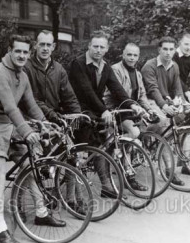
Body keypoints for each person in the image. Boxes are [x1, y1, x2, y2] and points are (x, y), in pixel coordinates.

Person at [0, 34, 66, 243]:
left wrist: (46, 124)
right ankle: (0, 228)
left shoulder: (22, 74)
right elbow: (9, 106)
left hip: (10, 124)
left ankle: (41, 213)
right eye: (17, 51)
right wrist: (27, 131)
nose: (22, 55)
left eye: (25, 52)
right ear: (9, 51)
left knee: (30, 166)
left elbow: (31, 104)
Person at [68, 30, 143, 194]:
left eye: (102, 47)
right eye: (95, 46)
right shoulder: (78, 63)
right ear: (89, 46)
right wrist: (103, 111)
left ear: (107, 49)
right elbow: (87, 91)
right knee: (79, 150)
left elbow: (117, 88)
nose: (98, 50)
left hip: (95, 108)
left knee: (102, 144)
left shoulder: (105, 66)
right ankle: (74, 194)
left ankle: (106, 186)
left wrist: (132, 104)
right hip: (77, 109)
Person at [24, 30, 86, 212]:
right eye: (41, 44)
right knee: (41, 159)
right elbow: (31, 99)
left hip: (52, 118)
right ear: (35, 45)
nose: (44, 48)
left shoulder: (58, 69)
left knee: (71, 153)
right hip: (30, 118)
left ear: (53, 47)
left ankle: (72, 199)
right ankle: (47, 195)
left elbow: (69, 96)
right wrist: (51, 115)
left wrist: (78, 115)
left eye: (48, 45)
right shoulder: (27, 67)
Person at [103, 43, 176, 189]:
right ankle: (127, 172)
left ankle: (129, 153)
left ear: (138, 57)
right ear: (123, 54)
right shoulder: (116, 69)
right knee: (133, 133)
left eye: (135, 55)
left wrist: (149, 110)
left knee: (160, 121)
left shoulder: (136, 73)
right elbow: (118, 93)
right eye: (129, 54)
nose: (132, 58)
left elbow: (142, 95)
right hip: (116, 109)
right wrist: (136, 108)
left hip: (132, 110)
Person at [141, 36, 189, 185]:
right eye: (165, 49)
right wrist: (163, 105)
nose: (168, 52)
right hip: (148, 101)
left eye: (171, 49)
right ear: (159, 50)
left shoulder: (174, 66)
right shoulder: (149, 66)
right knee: (163, 123)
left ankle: (156, 142)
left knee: (182, 116)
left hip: (164, 100)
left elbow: (177, 88)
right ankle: (169, 170)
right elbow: (152, 89)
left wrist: (183, 102)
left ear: (175, 50)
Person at [173, 33, 190, 102]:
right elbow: (175, 76)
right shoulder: (174, 55)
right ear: (180, 43)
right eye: (186, 44)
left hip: (183, 86)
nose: (188, 47)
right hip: (172, 87)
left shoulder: (188, 55)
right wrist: (187, 91)